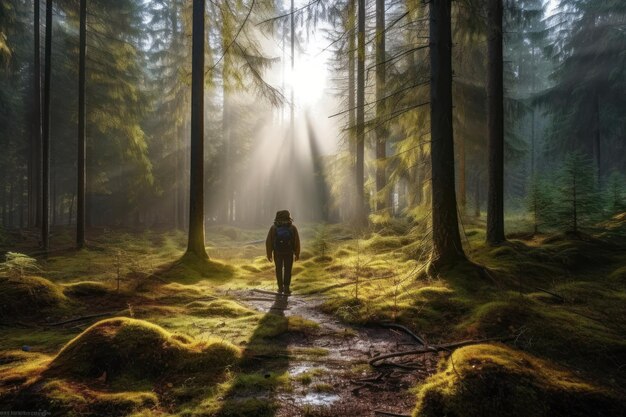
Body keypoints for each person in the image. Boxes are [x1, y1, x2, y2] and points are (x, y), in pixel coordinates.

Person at [265, 210, 300, 295]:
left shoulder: (274, 227)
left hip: (277, 253)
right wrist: (297, 254)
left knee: (278, 270)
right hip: (289, 252)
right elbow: (297, 241)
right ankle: (287, 288)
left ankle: (280, 288)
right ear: (288, 216)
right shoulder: (292, 227)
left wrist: (269, 254)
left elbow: (268, 242)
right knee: (288, 270)